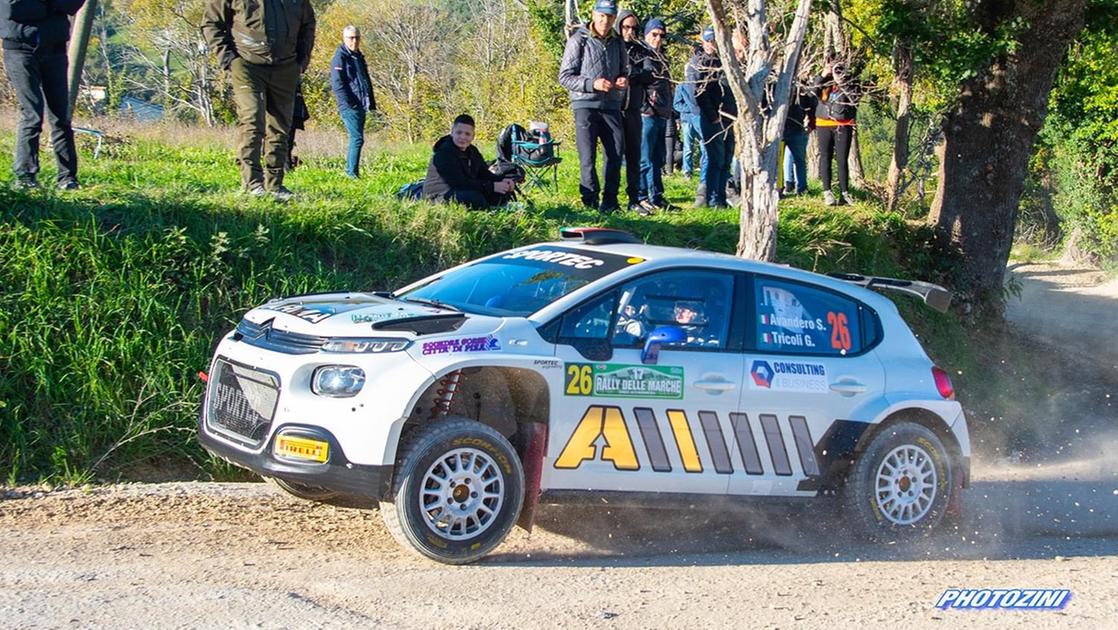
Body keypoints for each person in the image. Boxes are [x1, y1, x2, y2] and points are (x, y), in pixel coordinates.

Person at [202, 0, 316, 201]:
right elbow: (211, 22)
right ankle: (252, 182)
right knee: (252, 120)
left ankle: (275, 184)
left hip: (286, 67)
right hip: (246, 65)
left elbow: (308, 23)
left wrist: (302, 60)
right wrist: (229, 59)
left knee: (281, 127)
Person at [1, 0, 85, 190]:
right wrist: (53, 5)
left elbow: (72, 5)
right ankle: (25, 176)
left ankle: (67, 178)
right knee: (32, 114)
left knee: (61, 117)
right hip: (20, 50)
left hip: (55, 49)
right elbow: (13, 9)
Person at [558, 0, 629, 213]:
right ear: (593, 14)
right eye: (602, 15)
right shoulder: (578, 39)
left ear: (614, 18)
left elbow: (624, 70)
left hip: (611, 104)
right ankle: (589, 201)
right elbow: (564, 77)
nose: (605, 21)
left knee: (616, 153)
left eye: (609, 16)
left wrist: (623, 80)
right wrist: (591, 84)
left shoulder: (618, 42)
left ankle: (610, 202)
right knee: (587, 156)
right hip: (584, 103)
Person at [422, 114, 517, 209]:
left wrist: (502, 180)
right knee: (474, 198)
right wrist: (492, 186)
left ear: (473, 136)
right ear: (452, 133)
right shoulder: (443, 154)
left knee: (501, 193)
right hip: (440, 195)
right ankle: (488, 207)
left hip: (463, 189)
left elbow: (483, 173)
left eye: (467, 134)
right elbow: (459, 183)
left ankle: (495, 206)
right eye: (459, 133)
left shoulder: (472, 151)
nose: (462, 137)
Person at [686, 26, 732, 208]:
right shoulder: (699, 63)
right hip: (712, 118)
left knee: (726, 159)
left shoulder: (725, 62)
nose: (711, 44)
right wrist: (713, 116)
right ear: (703, 41)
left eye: (714, 40)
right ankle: (712, 198)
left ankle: (721, 197)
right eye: (708, 40)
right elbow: (698, 93)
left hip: (729, 117)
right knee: (715, 159)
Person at [636, 17, 672, 214]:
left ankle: (657, 196)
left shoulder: (662, 57)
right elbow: (637, 83)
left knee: (658, 158)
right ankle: (642, 196)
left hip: (662, 113)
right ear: (646, 34)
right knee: (645, 158)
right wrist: (645, 108)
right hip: (647, 113)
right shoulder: (642, 55)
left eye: (661, 35)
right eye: (654, 34)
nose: (658, 38)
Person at [330, 25, 376, 179]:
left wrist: (371, 103)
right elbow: (338, 84)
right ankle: (351, 173)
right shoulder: (340, 57)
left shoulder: (358, 57)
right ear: (344, 39)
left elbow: (364, 81)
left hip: (361, 104)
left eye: (357, 37)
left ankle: (353, 172)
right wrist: (350, 103)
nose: (354, 41)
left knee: (358, 138)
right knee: (357, 138)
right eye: (351, 38)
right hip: (350, 106)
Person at [812, 60, 858, 206]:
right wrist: (822, 75)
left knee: (842, 159)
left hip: (843, 125)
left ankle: (845, 193)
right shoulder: (824, 83)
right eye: (835, 69)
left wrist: (842, 82)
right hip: (823, 123)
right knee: (825, 157)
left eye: (840, 69)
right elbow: (812, 92)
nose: (837, 72)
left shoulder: (852, 83)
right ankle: (827, 191)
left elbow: (854, 99)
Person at [616, 9, 644, 213]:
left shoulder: (641, 50)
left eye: (634, 28)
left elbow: (652, 74)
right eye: (626, 27)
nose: (630, 31)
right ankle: (611, 198)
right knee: (614, 156)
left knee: (634, 156)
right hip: (613, 108)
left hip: (634, 109)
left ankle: (634, 198)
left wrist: (631, 73)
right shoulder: (613, 46)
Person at [782, 75, 816, 196]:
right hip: (780, 130)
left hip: (797, 129)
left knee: (800, 160)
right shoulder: (777, 85)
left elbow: (812, 106)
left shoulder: (802, 89)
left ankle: (802, 188)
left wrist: (811, 124)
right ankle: (780, 187)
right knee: (778, 160)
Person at [672, 80, 700, 179]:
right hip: (687, 120)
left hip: (700, 119)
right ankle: (687, 171)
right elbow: (676, 104)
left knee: (703, 146)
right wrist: (691, 109)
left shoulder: (700, 84)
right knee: (688, 147)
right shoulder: (681, 87)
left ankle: (704, 169)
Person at [286, 79, 309, 171]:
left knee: (289, 140)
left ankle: (286, 166)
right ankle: (284, 166)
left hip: (292, 106)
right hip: (283, 106)